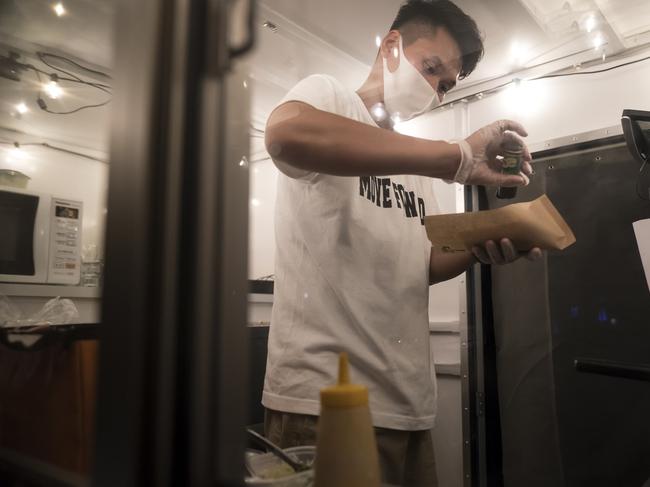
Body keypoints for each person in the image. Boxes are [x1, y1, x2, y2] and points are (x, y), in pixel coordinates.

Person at [262, 1, 542, 485]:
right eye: (431, 68)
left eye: (445, 84)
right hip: (325, 396)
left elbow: (425, 261)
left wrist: (486, 243)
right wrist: (456, 156)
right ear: (392, 46)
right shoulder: (330, 96)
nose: (435, 90)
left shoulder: (415, 165)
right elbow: (285, 135)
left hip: (408, 400)